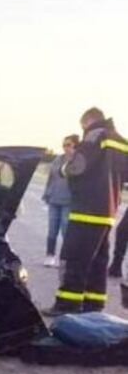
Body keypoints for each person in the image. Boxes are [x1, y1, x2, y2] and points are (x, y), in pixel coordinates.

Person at [50, 108, 128, 314]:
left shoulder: (95, 135)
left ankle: (67, 305)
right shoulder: (121, 141)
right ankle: (94, 305)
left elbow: (78, 166)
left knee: (74, 259)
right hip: (107, 212)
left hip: (86, 209)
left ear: (87, 122)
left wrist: (63, 167)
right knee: (98, 262)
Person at [42, 135, 76, 268]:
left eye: (69, 145)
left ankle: (65, 258)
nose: (66, 147)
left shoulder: (78, 161)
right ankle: (50, 255)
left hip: (68, 201)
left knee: (65, 230)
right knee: (52, 229)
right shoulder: (57, 159)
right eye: (64, 145)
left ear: (75, 146)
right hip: (54, 199)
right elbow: (51, 177)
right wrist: (47, 193)